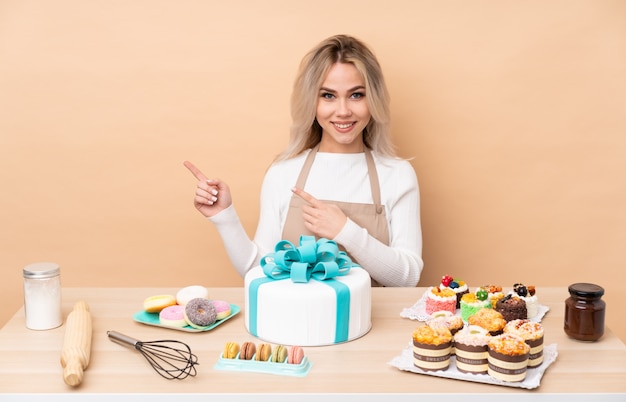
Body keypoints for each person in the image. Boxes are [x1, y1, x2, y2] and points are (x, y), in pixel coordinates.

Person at [184, 34, 423, 287]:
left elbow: (407, 278)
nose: (343, 111)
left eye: (356, 95)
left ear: (372, 99)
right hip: (295, 325)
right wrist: (225, 217)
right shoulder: (283, 172)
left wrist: (346, 231)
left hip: (372, 326)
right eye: (328, 96)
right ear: (312, 101)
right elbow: (260, 271)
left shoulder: (397, 174)